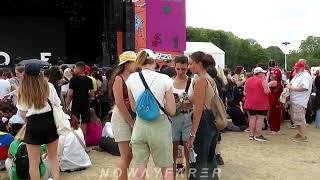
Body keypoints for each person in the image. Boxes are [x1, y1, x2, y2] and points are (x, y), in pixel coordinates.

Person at [126, 49, 176, 180]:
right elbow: (172, 110)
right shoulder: (165, 79)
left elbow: (133, 107)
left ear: (139, 62)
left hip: (140, 126)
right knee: (166, 168)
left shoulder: (131, 79)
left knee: (140, 168)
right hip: (160, 126)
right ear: (154, 62)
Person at [16, 63, 60, 180]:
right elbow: (57, 103)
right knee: (53, 157)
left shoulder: (22, 90)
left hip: (33, 125)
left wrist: (29, 123)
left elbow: (23, 113)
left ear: (25, 74)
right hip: (50, 122)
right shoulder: (49, 86)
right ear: (40, 73)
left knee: (33, 163)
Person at [187, 51, 219, 179]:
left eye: (190, 63)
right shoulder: (210, 79)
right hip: (212, 121)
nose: (189, 66)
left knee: (200, 161)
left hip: (203, 122)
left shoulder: (201, 81)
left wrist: (192, 135)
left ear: (199, 63)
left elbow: (198, 109)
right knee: (210, 160)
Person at [109, 51, 137, 180]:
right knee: (126, 155)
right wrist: (131, 122)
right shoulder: (118, 78)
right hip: (121, 117)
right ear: (126, 64)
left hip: (130, 116)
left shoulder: (133, 77)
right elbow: (120, 103)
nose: (136, 64)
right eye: (134, 61)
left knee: (129, 155)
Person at [170, 55, 193, 179]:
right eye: (178, 69)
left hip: (189, 117)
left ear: (188, 67)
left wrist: (190, 101)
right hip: (173, 118)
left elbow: (198, 101)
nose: (180, 72)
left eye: (183, 69)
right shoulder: (169, 81)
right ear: (174, 67)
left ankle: (189, 177)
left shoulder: (192, 81)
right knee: (172, 153)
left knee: (188, 151)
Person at [287, 61, 312, 141]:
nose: (295, 69)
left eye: (297, 68)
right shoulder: (298, 75)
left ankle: (303, 136)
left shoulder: (305, 76)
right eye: (295, 68)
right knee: (295, 118)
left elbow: (305, 87)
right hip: (295, 100)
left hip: (300, 101)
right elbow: (292, 84)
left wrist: (292, 88)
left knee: (300, 118)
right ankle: (300, 133)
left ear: (302, 68)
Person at [67, 62, 94, 136]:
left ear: (79, 69)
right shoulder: (89, 80)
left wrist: (67, 104)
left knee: (74, 120)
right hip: (86, 103)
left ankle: (75, 138)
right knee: (84, 121)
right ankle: (83, 140)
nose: (74, 70)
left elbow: (70, 94)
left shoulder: (73, 79)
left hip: (76, 102)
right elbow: (92, 94)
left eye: (75, 68)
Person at [243, 67, 271, 142]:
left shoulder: (248, 80)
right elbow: (267, 91)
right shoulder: (262, 80)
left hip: (250, 103)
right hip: (261, 103)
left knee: (252, 118)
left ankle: (251, 135)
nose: (264, 74)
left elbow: (244, 91)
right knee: (260, 119)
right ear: (259, 73)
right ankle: (258, 135)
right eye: (262, 73)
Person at [268, 68, 284, 134]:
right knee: (277, 114)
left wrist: (267, 76)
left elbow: (265, 85)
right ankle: (277, 129)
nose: (272, 74)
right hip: (278, 99)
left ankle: (273, 129)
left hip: (273, 99)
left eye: (273, 73)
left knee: (272, 114)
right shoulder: (280, 82)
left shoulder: (274, 82)